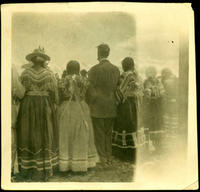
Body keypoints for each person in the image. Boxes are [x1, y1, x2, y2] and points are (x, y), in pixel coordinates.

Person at [16, 47, 59, 181]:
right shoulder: (49, 74)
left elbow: (20, 93)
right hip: (44, 105)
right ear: (44, 60)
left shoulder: (25, 73)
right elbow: (55, 95)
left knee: (29, 132)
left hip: (28, 105)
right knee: (44, 132)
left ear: (33, 60)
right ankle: (44, 168)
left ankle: (29, 168)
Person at [57, 60, 98, 173]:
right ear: (78, 69)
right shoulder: (84, 80)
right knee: (81, 134)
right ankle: (80, 163)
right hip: (81, 107)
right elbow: (92, 95)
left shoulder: (62, 80)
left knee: (66, 134)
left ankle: (66, 164)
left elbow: (59, 96)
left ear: (67, 68)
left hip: (66, 108)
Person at [86, 44, 120, 166]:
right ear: (108, 53)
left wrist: (90, 103)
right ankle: (109, 156)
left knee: (99, 133)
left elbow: (90, 90)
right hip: (111, 105)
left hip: (97, 106)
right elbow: (117, 87)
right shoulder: (116, 69)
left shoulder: (93, 70)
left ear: (99, 54)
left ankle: (102, 157)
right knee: (108, 133)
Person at [112, 57, 144, 163]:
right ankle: (134, 153)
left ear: (124, 66)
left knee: (123, 126)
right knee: (133, 126)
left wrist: (115, 102)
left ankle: (123, 152)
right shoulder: (137, 76)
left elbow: (120, 92)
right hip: (134, 104)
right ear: (132, 65)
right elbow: (141, 91)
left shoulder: (124, 76)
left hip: (125, 105)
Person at [143, 66, 164, 152]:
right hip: (157, 106)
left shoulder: (147, 82)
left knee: (151, 125)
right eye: (149, 73)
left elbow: (147, 95)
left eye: (150, 72)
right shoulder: (159, 82)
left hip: (151, 107)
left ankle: (152, 146)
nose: (149, 74)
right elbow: (162, 93)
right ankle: (157, 146)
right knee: (156, 125)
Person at [11, 64, 25, 178]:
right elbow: (20, 92)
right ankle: (10, 169)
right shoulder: (11, 67)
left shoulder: (25, 73)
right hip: (9, 108)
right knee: (11, 140)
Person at [161, 68, 179, 143]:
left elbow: (165, 92)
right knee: (173, 118)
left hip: (168, 102)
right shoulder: (175, 79)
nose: (163, 75)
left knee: (168, 118)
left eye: (164, 74)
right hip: (174, 102)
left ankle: (169, 134)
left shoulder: (167, 81)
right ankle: (172, 135)